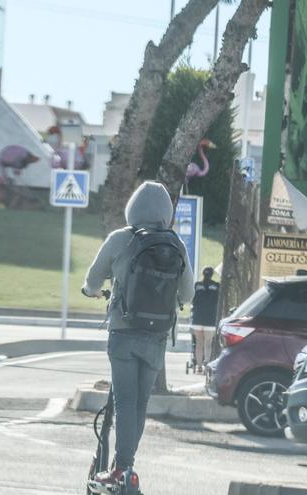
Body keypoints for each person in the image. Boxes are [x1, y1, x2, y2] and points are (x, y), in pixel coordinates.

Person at [82, 181, 194, 484]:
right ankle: (125, 467)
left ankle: (120, 469)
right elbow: (188, 294)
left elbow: (93, 279)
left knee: (124, 401)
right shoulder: (176, 245)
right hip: (157, 338)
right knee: (140, 403)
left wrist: (91, 290)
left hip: (124, 333)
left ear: (133, 208)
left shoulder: (120, 239)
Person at [190, 267, 220, 373]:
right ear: (212, 275)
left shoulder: (197, 285)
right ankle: (206, 363)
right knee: (208, 343)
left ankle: (198, 366)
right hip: (210, 320)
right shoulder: (216, 286)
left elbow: (193, 300)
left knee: (198, 344)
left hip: (197, 319)